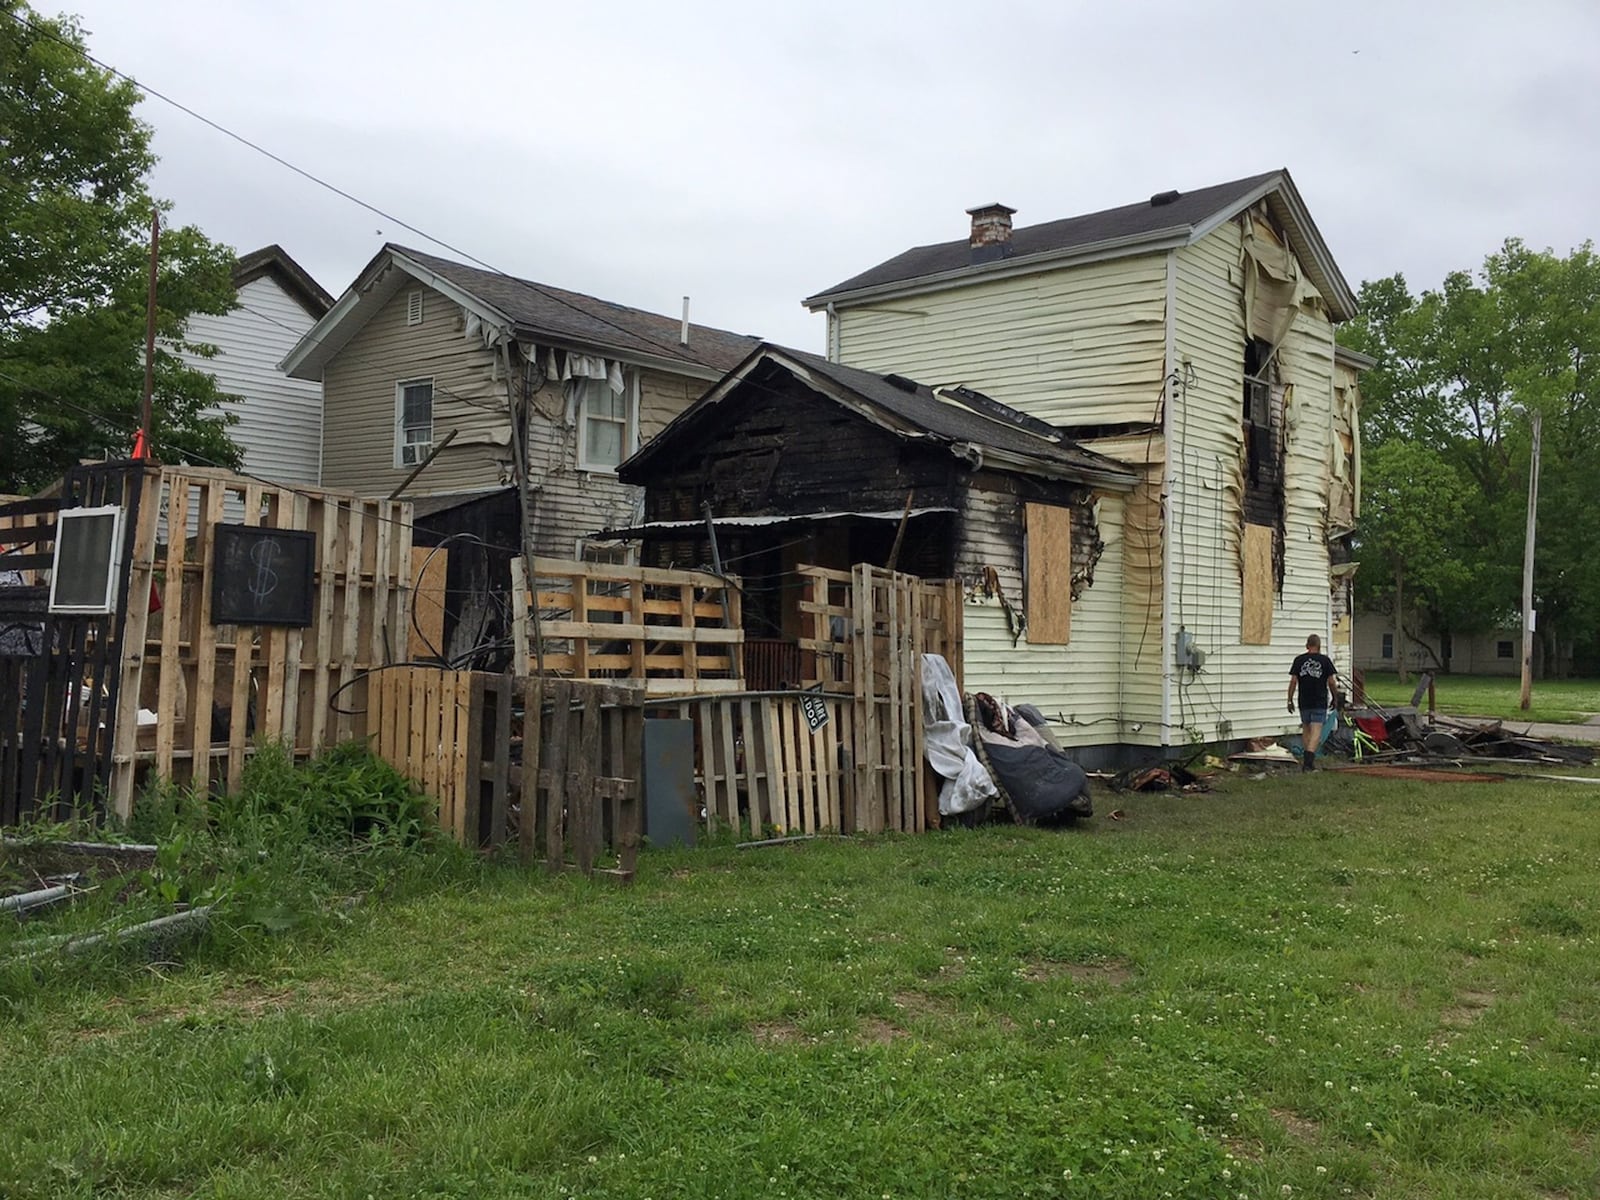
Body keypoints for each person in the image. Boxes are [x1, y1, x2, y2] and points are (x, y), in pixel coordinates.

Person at [1287, 634, 1341, 772]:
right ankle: (1308, 763)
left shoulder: (1299, 660)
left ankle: (1307, 761)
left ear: (1307, 645)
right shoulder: (1325, 661)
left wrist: (1289, 699)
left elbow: (1293, 681)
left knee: (1306, 729)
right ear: (1319, 646)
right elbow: (1331, 682)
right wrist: (1335, 697)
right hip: (1319, 700)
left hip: (1303, 700)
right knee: (1316, 730)